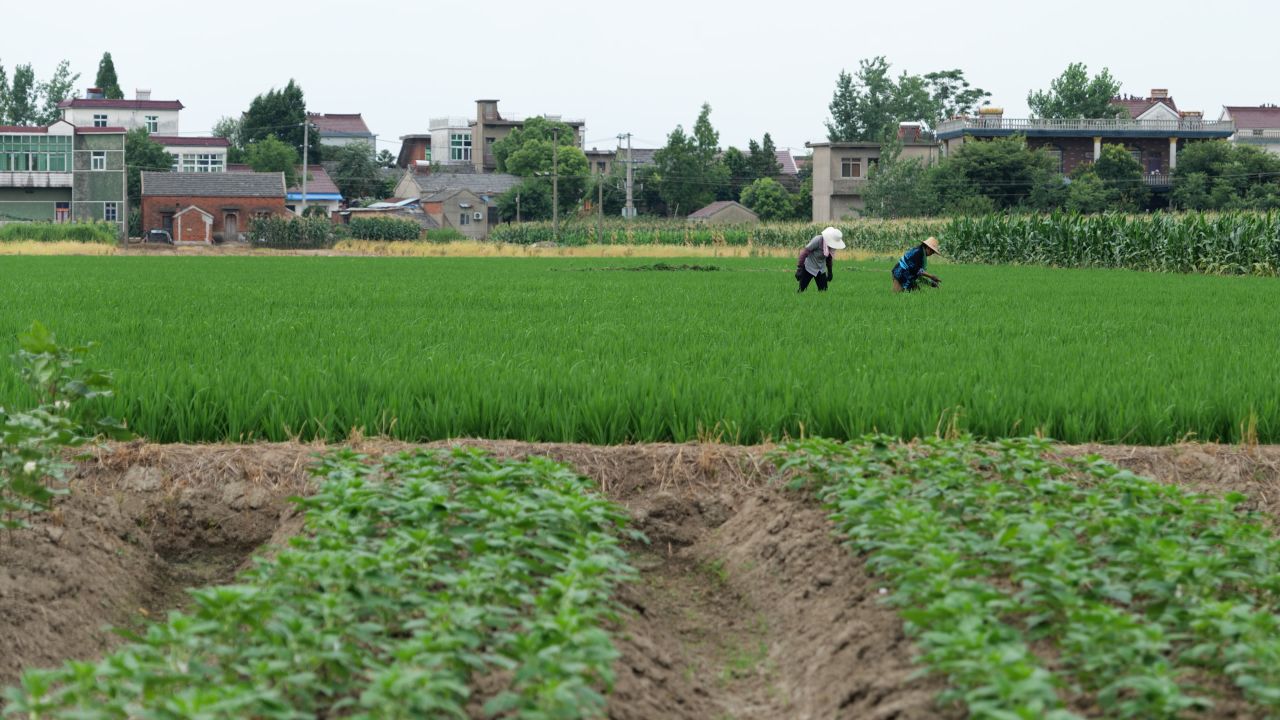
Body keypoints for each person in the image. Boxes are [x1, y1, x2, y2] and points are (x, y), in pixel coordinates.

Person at [796, 227, 845, 292]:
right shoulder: (818, 240)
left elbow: (829, 258)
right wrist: (800, 268)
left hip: (821, 269)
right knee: (802, 290)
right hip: (809, 267)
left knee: (824, 291)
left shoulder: (831, 246)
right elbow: (805, 252)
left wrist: (830, 272)